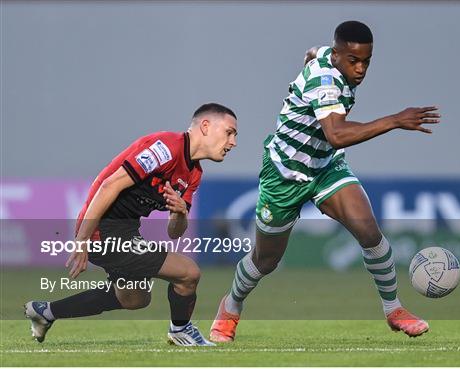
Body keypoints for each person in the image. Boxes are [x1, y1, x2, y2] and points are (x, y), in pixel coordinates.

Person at [210, 21, 439, 342]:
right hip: (285, 174)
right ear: (338, 55)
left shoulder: (329, 57)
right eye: (353, 61)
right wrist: (395, 120)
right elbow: (337, 134)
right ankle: (230, 306)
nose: (360, 69)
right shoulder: (326, 81)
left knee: (370, 233)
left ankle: (394, 309)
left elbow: (312, 53)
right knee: (266, 260)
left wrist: (311, 59)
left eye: (366, 62)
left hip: (326, 167)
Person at [25, 103, 238, 346]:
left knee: (134, 298)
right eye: (229, 133)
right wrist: (82, 240)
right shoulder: (165, 148)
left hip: (125, 231)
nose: (232, 142)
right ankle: (181, 330)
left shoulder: (193, 174)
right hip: (101, 229)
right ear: (206, 126)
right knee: (188, 273)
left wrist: (180, 212)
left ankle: (45, 312)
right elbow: (109, 185)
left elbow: (174, 232)